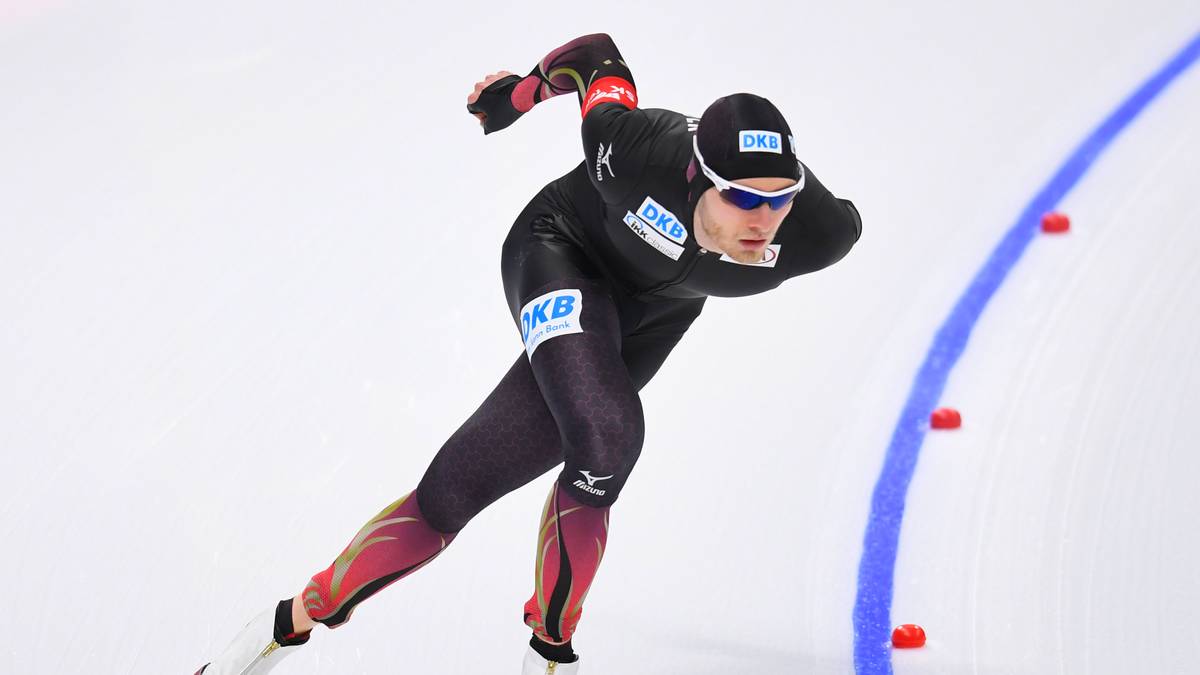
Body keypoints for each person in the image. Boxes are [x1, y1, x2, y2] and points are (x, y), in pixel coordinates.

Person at [194, 31, 861, 675]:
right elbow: (595, 54)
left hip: (653, 316)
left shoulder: (819, 234)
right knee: (608, 435)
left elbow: (823, 215)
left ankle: (287, 623)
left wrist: (782, 192)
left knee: (455, 491)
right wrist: (518, 97)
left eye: (781, 199)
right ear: (694, 177)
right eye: (743, 198)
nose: (764, 219)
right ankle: (545, 656)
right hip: (559, 251)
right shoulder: (631, 150)